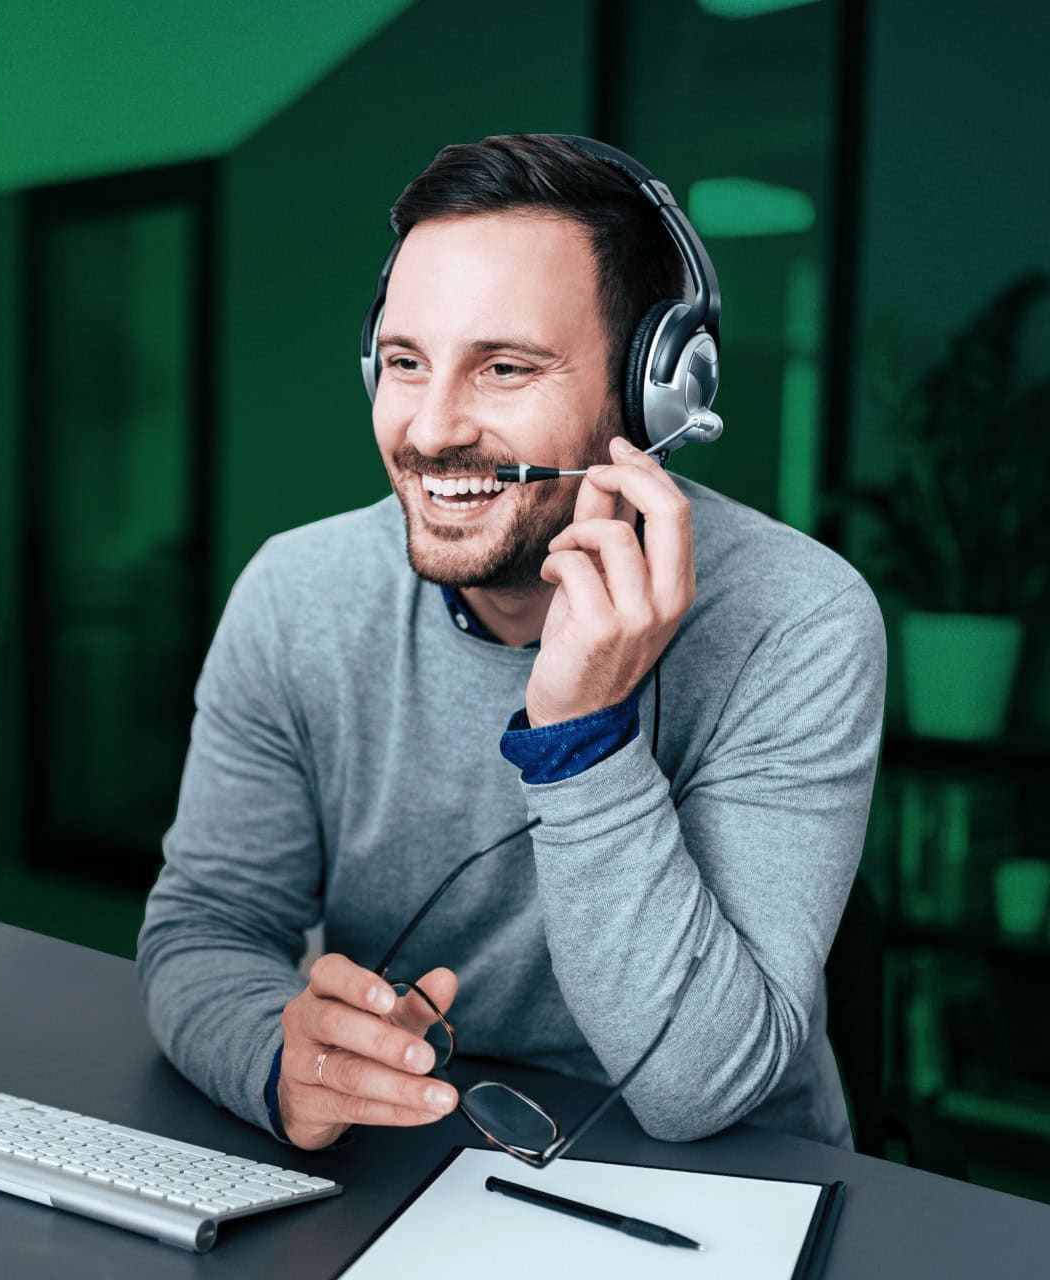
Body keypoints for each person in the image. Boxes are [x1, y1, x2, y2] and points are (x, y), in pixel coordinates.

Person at [136, 133, 886, 1154]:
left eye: (502, 366)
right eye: (404, 362)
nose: (431, 427)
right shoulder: (294, 593)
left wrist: (579, 733)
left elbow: (697, 1089)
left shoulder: (796, 619)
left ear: (651, 393)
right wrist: (276, 1058)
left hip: (730, 1183)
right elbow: (206, 927)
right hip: (416, 1146)